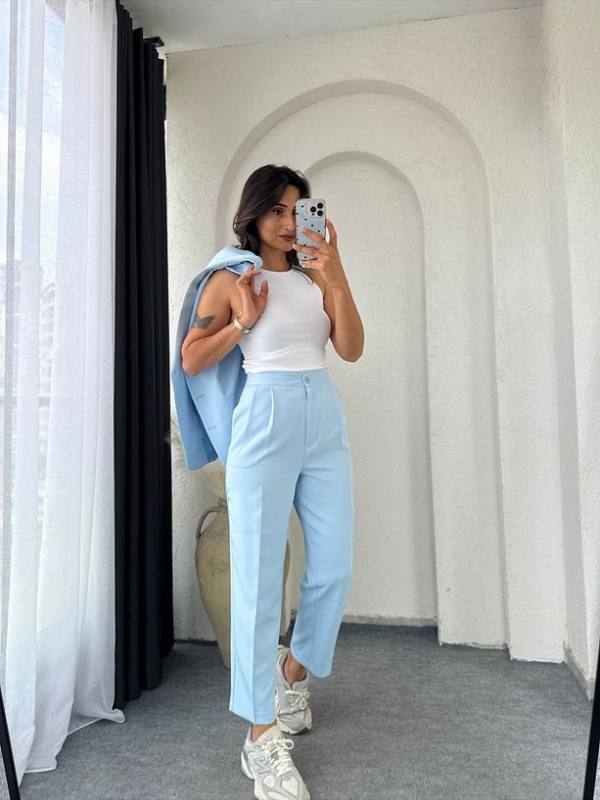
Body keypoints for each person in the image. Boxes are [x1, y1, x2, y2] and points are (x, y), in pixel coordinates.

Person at [179, 164, 364, 800]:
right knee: (258, 580)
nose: (288, 223)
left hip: (322, 415)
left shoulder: (315, 275)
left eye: (297, 210)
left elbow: (351, 348)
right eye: (277, 211)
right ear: (253, 214)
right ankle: (260, 735)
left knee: (334, 565)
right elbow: (192, 358)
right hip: (266, 416)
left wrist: (335, 273)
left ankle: (292, 671)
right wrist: (242, 322)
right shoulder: (232, 278)